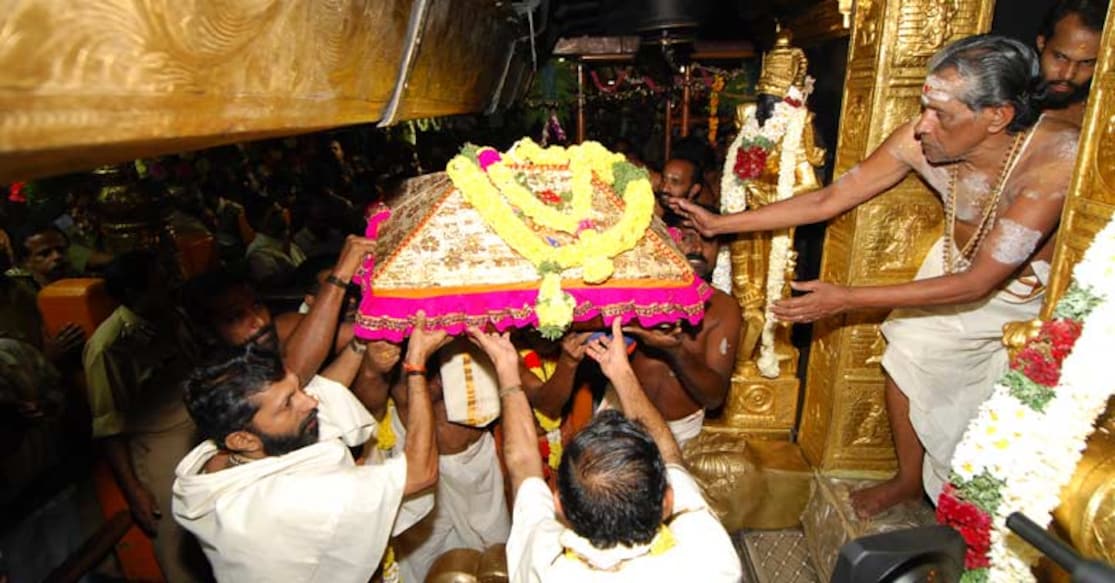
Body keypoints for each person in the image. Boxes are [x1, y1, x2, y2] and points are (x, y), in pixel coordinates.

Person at [671, 35, 1079, 517]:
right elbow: (829, 200)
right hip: (956, 261)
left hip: (1025, 291)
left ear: (998, 116)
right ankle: (910, 479)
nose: (922, 126)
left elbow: (979, 284)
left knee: (1009, 401)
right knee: (908, 348)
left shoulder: (1053, 163)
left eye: (941, 115)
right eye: (924, 107)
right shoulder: (920, 139)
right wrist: (721, 222)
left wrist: (845, 299)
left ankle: (986, 505)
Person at [172, 313, 445, 582]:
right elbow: (420, 473)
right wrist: (416, 367)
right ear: (242, 439)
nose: (310, 402)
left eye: (296, 387)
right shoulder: (288, 498)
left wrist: (362, 339)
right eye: (288, 402)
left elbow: (325, 389)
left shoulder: (226, 458)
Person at [469, 317, 741, 582]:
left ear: (560, 505)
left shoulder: (546, 563)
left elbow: (522, 465)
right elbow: (670, 455)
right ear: (667, 502)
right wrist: (622, 373)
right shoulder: (711, 559)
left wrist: (506, 370)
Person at [82, 251, 204, 581]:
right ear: (134, 293)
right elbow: (110, 427)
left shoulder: (174, 317)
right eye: (161, 283)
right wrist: (135, 490)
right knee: (180, 549)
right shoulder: (109, 347)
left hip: (199, 434)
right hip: (159, 454)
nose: (172, 286)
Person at [349, 339, 511, 582]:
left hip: (471, 471)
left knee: (495, 560)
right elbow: (371, 395)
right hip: (410, 464)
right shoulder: (389, 356)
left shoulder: (466, 379)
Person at [1036, 0, 1107, 126]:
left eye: (1086, 62)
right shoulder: (1003, 99)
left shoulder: (1102, 122)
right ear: (1041, 43)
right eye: (1060, 57)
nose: (1068, 75)